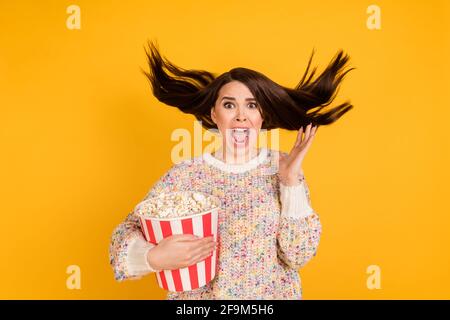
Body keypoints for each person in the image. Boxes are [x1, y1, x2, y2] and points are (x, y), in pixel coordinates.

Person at [109, 40, 355, 299]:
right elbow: (122, 238)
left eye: (251, 105)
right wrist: (152, 257)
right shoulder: (185, 175)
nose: (240, 116)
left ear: (263, 115)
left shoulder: (283, 169)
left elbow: (298, 255)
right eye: (229, 105)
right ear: (214, 114)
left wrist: (290, 181)